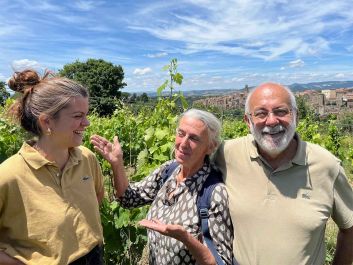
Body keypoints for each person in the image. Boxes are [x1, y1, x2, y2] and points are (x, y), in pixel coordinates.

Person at [215, 82, 353, 265]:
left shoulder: (327, 166)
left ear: (296, 116)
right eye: (261, 113)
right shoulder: (226, 154)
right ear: (247, 121)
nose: (271, 121)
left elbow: (350, 228)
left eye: (281, 111)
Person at [91, 109, 234, 265]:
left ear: (210, 147)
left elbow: (221, 262)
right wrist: (117, 163)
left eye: (193, 138)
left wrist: (186, 239)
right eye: (181, 133)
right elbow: (129, 198)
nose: (183, 143)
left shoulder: (214, 192)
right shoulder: (168, 170)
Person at [0, 70, 104, 265]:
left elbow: (96, 198)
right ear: (47, 121)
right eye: (78, 116)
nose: (87, 122)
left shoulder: (87, 158)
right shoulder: (8, 175)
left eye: (86, 114)